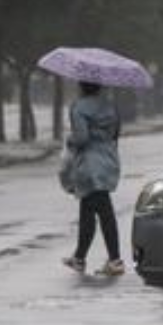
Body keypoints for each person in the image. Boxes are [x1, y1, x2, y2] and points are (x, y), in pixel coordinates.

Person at [61, 81, 124, 277]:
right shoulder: (110, 107)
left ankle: (115, 260)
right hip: (108, 160)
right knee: (87, 211)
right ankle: (79, 258)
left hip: (89, 165)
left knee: (104, 212)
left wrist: (69, 140)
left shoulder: (79, 107)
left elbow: (81, 138)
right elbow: (115, 134)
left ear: (81, 87)